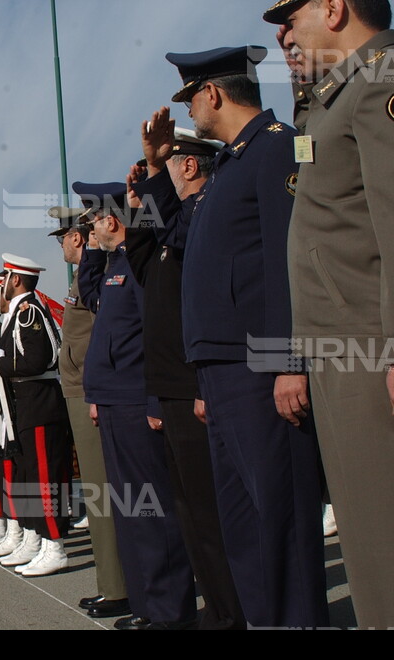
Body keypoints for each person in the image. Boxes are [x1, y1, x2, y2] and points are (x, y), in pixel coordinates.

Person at [163, 45, 328, 627]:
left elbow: (288, 261)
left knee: (280, 517)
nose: (192, 108)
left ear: (211, 93)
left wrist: (290, 360)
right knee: (243, 525)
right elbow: (182, 245)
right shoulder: (232, 161)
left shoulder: (276, 146)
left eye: (191, 96)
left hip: (260, 363)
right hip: (221, 368)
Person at [264, 0, 394, 628]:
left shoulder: (381, 81)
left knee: (382, 542)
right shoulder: (338, 95)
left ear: (336, 8)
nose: (284, 33)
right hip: (340, 351)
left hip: (371, 345)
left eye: (291, 16)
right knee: (368, 542)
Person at [128, 128, 246, 629]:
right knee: (193, 516)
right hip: (173, 390)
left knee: (213, 517)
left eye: (170, 165)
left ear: (190, 166)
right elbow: (139, 260)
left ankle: (234, 613)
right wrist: (139, 206)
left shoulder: (196, 225)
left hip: (195, 387)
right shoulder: (170, 234)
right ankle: (218, 612)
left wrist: (199, 385)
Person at [75, 183, 197, 630]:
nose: (88, 230)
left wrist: (152, 399)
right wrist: (91, 252)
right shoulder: (113, 265)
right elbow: (91, 298)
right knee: (130, 513)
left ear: (112, 220)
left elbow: (158, 335)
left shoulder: (140, 265)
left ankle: (170, 614)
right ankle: (148, 608)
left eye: (92, 222)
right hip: (111, 403)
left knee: (152, 514)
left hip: (135, 403)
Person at [49, 207, 130, 619]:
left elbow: (104, 334)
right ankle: (112, 583)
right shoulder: (84, 278)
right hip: (81, 390)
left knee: (103, 491)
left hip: (91, 391)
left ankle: (119, 586)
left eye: (62, 236)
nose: (60, 244)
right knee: (100, 493)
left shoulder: (95, 275)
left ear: (77, 237)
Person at [0, 254, 72, 577]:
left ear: (15, 280)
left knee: (45, 478)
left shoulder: (28, 311)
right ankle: (37, 536)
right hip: (25, 405)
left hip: (40, 403)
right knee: (31, 477)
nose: (2, 284)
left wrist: (1, 364)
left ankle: (55, 544)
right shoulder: (18, 314)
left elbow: (39, 359)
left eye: (5, 277)